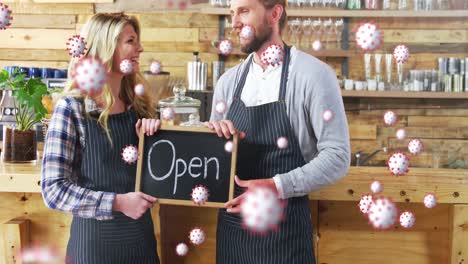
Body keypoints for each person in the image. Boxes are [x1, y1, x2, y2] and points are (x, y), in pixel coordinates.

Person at [205, 0, 350, 263]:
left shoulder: (313, 75)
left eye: (244, 11)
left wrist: (276, 186)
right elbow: (213, 167)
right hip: (232, 237)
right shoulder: (228, 83)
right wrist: (211, 139)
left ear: (275, 13)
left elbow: (338, 156)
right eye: (231, 13)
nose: (234, 23)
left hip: (285, 238)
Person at [41, 13, 161, 264]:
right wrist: (117, 203)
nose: (140, 48)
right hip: (93, 249)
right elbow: (53, 190)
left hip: (141, 244)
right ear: (105, 47)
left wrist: (153, 144)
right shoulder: (72, 108)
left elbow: (162, 180)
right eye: (130, 41)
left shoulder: (141, 108)